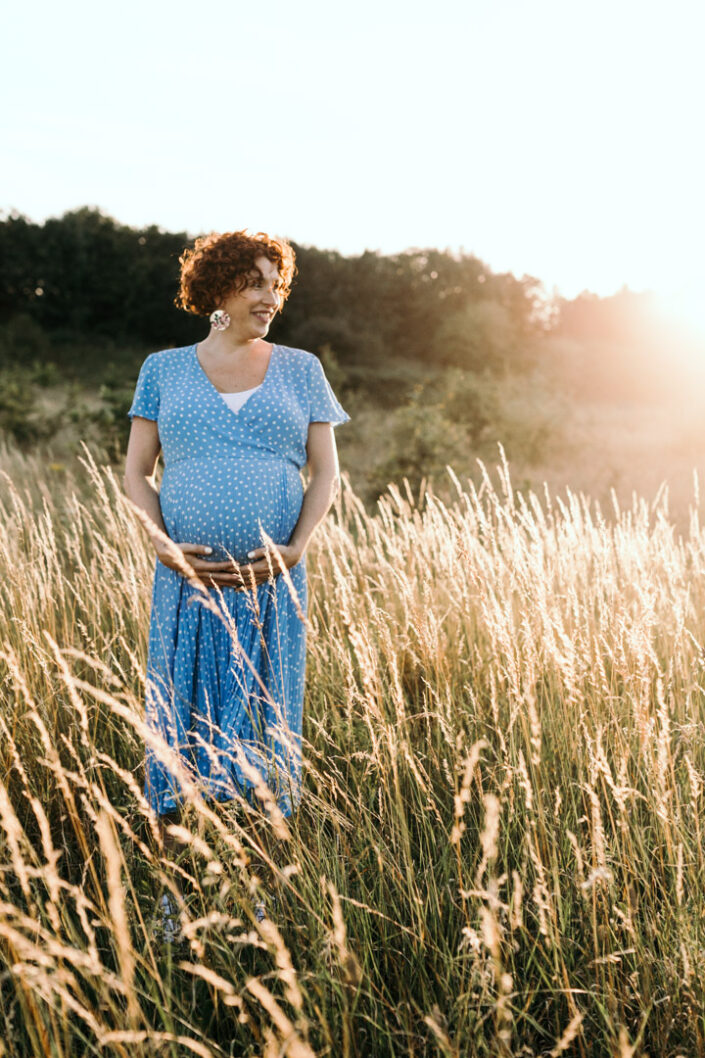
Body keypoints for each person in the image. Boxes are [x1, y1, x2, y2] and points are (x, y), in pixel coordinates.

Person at [123, 229, 349, 931]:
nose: (270, 297)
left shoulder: (300, 369)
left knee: (260, 727)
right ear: (218, 286)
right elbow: (134, 472)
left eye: (277, 286)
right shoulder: (162, 368)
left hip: (269, 587)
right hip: (186, 586)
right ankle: (172, 897)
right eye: (256, 283)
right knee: (177, 726)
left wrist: (296, 548)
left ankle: (254, 898)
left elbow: (327, 473)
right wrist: (163, 544)